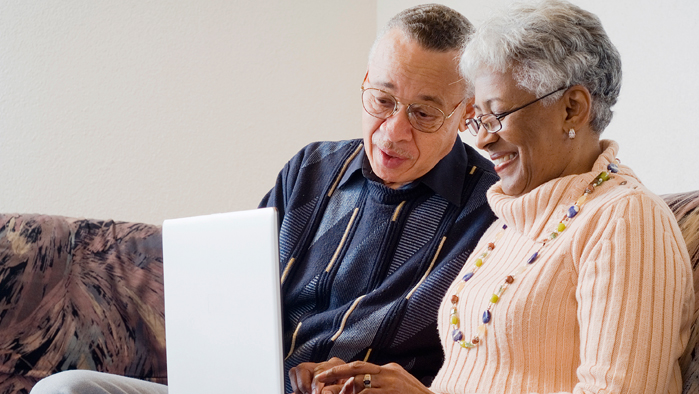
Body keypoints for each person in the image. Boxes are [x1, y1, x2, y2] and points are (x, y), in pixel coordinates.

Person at [29, 4, 499, 394]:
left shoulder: (492, 206)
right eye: (383, 100)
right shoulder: (311, 168)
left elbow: (490, 355)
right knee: (64, 389)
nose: (394, 131)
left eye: (423, 112)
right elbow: (237, 299)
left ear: (465, 114)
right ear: (364, 85)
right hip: (253, 388)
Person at [307, 1, 695, 393]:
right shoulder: (514, 216)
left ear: (572, 109)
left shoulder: (626, 219)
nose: (482, 138)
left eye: (497, 115)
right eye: (479, 119)